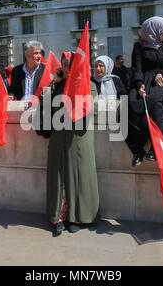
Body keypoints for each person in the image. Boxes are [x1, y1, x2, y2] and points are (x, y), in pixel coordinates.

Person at [36, 52, 99, 237]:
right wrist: (54, 81)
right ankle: (59, 218)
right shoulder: (57, 85)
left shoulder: (89, 85)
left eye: (68, 64)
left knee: (78, 177)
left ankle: (76, 218)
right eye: (63, 64)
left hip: (78, 139)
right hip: (58, 138)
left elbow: (90, 109)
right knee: (59, 178)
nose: (65, 67)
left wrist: (76, 89)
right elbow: (43, 101)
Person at [127, 16, 163, 166]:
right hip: (143, 81)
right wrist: (140, 84)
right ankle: (137, 149)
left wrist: (161, 73)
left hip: (159, 83)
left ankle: (155, 147)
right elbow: (138, 68)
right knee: (131, 104)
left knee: (156, 104)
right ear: (154, 30)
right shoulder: (139, 46)